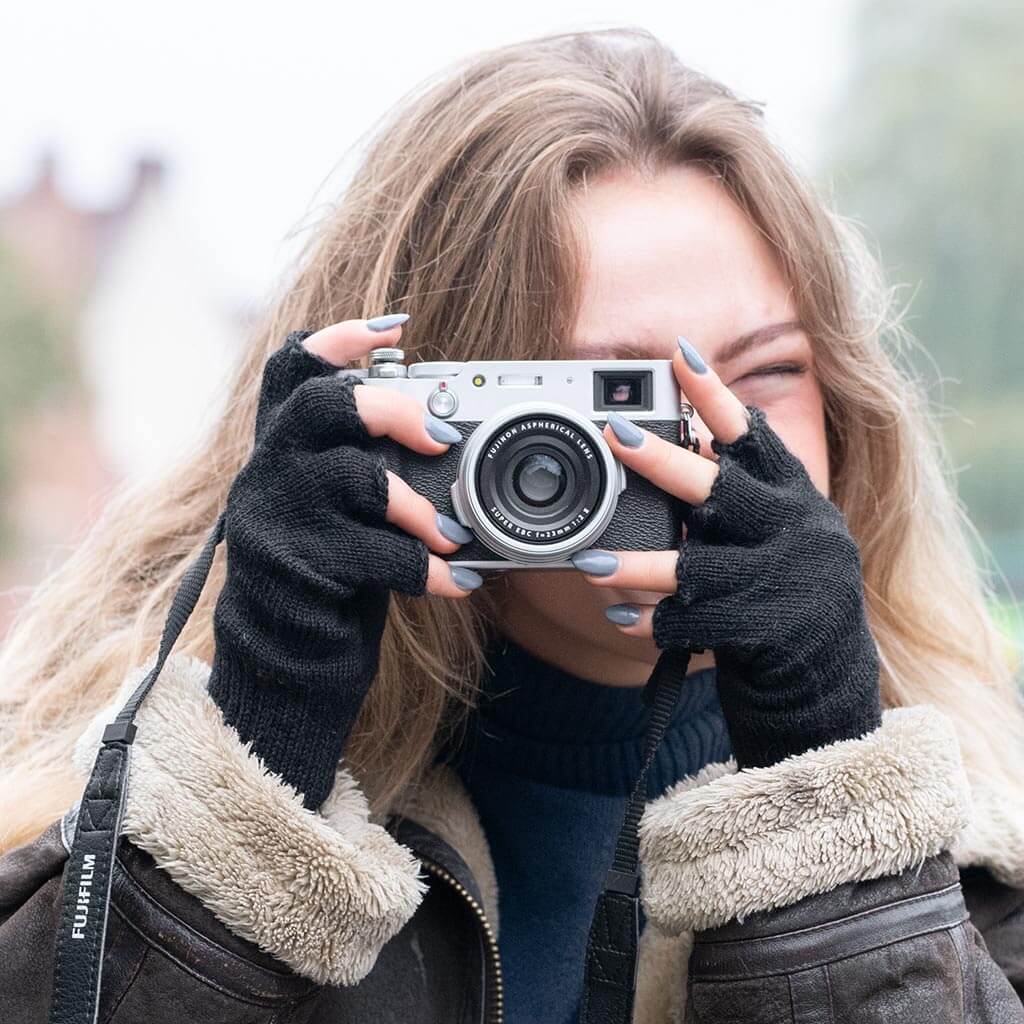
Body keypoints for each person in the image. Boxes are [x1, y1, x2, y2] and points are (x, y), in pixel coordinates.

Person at [1, 26, 1022, 1024]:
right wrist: (254, 764)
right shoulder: (108, 808)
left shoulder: (988, 841)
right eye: (610, 400)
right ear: (417, 422)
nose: (703, 449)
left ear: (847, 406)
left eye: (764, 375)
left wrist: (838, 822)